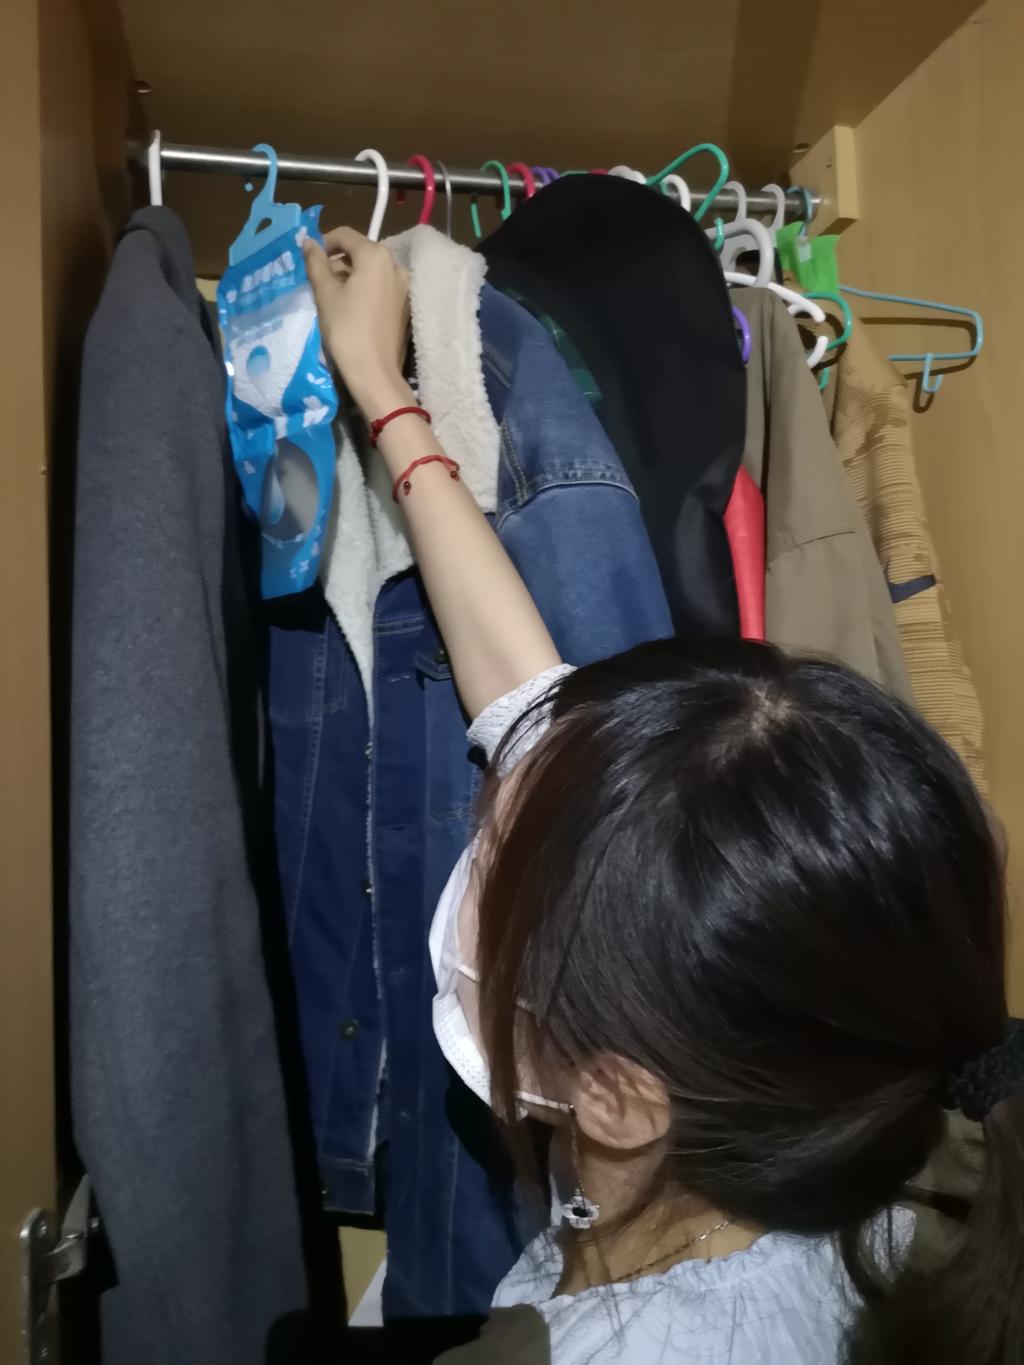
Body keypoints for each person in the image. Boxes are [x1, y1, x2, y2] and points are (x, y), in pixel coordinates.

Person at [303, 227, 1024, 1365]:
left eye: (505, 885)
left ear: (616, 1096)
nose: (486, 831)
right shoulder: (850, 1150)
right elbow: (523, 697)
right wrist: (389, 397)